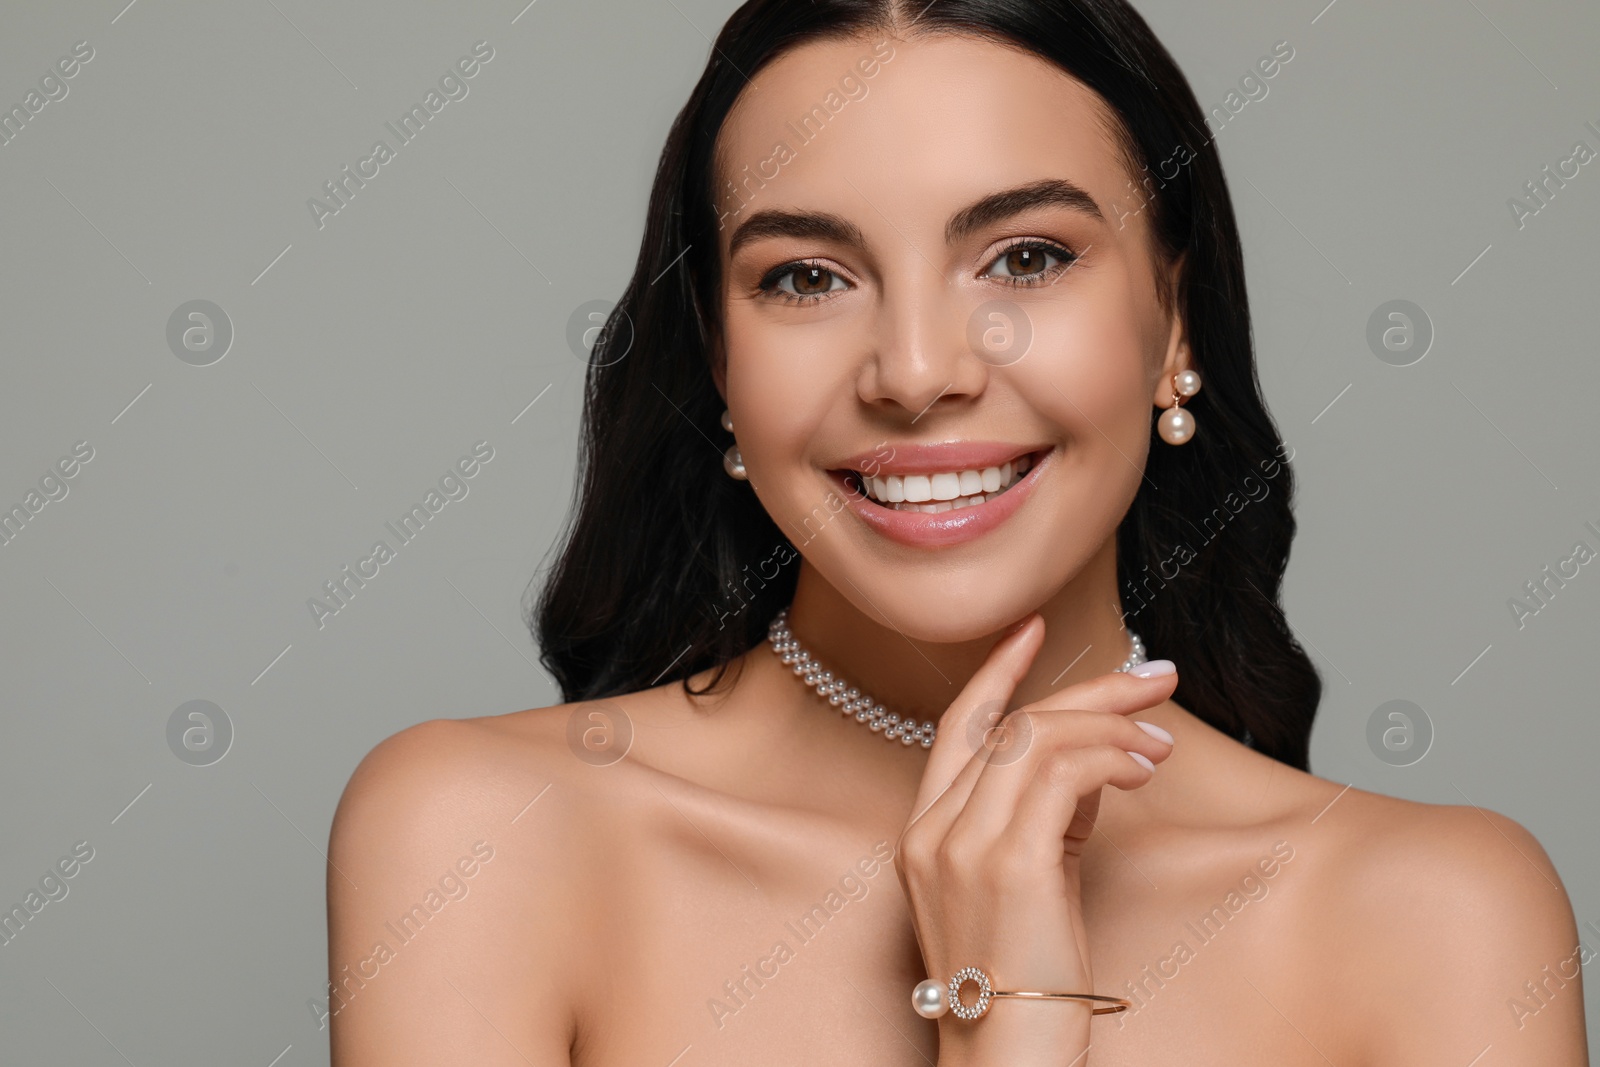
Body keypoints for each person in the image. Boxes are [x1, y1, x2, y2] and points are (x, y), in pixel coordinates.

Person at [326, 2, 1589, 1063]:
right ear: (718, 358)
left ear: (1176, 320)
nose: (917, 369)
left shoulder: (1435, 915)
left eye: (1025, 256)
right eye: (806, 277)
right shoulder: (484, 838)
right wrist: (1011, 1018)